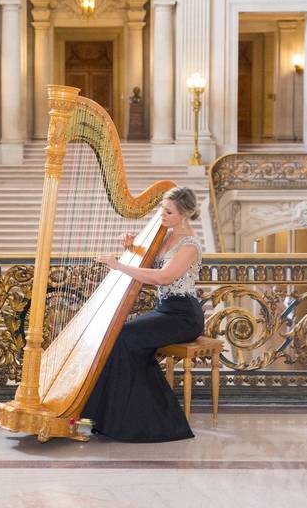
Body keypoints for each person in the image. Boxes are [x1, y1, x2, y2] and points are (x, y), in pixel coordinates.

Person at [85, 186, 205, 442]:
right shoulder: (165, 236)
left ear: (184, 215)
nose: (162, 214)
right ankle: (118, 417)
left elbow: (163, 277)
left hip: (184, 315)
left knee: (127, 337)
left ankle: (158, 422)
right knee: (121, 336)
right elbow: (149, 266)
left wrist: (119, 265)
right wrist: (132, 247)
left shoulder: (190, 245)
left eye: (169, 211)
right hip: (165, 309)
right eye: (162, 208)